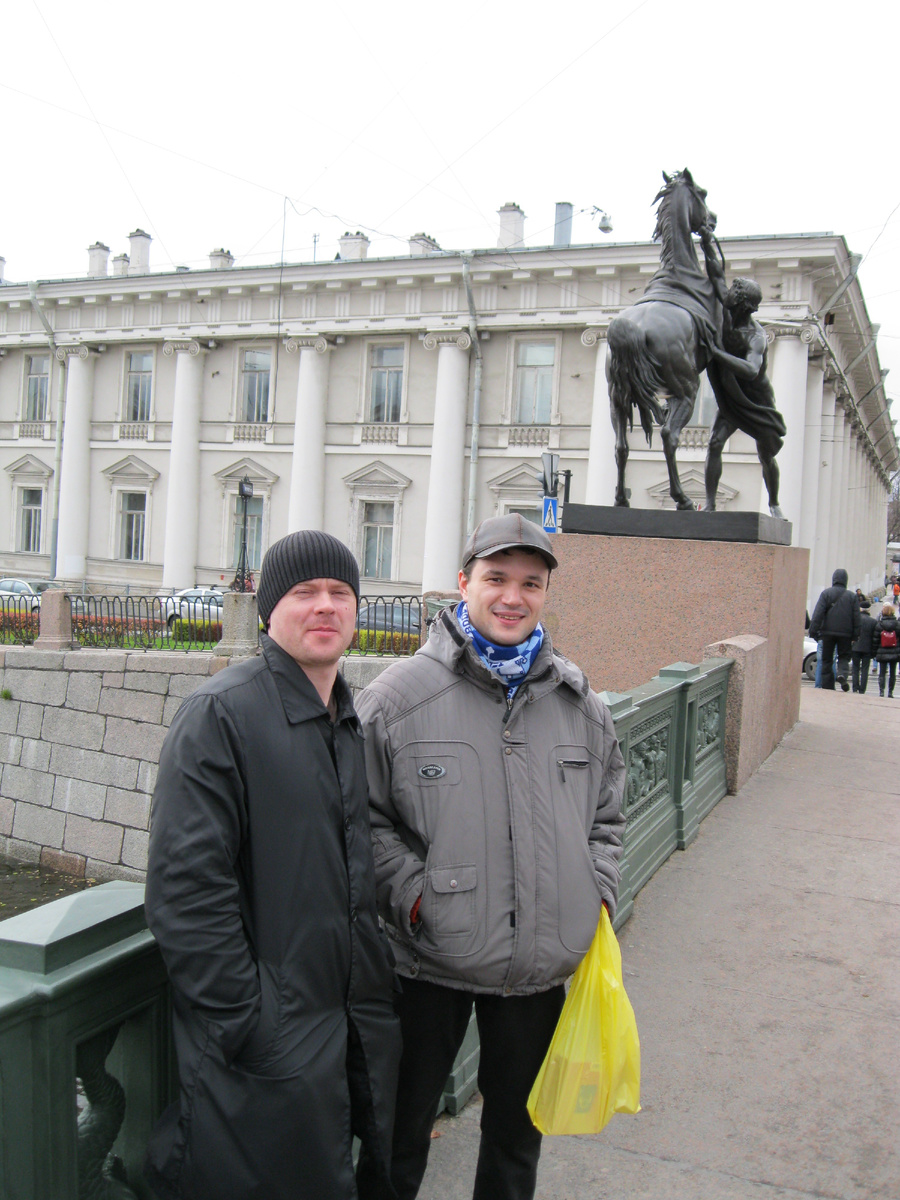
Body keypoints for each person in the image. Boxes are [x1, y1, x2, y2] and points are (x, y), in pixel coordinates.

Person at [355, 514, 626, 1200]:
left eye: (530, 584)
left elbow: (608, 814)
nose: (513, 597)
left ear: (544, 594)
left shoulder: (578, 701)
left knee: (515, 1142)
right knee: (397, 1138)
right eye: (496, 579)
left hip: (538, 967)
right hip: (427, 963)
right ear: (463, 583)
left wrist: (593, 892)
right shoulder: (398, 697)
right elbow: (360, 818)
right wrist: (416, 896)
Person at [144, 531, 401, 1200]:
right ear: (267, 608)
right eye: (304, 592)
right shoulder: (220, 713)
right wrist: (251, 1024)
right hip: (269, 1047)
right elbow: (186, 892)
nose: (325, 607)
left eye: (340, 593)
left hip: (340, 1025)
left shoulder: (343, 715)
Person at [698, 224, 787, 518]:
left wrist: (716, 353)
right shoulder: (725, 309)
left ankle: (773, 502)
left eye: (736, 291)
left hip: (756, 400)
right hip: (730, 397)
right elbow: (715, 270)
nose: (730, 291)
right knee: (714, 443)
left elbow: (750, 370)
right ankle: (709, 504)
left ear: (746, 303)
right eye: (733, 288)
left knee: (766, 454)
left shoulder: (756, 335)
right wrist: (707, 239)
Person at [808, 568, 861, 692]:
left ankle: (828, 687)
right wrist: (855, 635)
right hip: (846, 634)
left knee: (827, 660)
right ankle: (842, 673)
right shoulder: (852, 597)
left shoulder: (826, 594)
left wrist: (813, 631)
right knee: (844, 657)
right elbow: (857, 618)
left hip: (827, 633)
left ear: (834, 579)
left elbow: (818, 614)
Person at [873, 602, 900, 697]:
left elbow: (875, 640)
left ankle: (881, 691)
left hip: (882, 651)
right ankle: (890, 692)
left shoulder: (879, 625)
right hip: (894, 651)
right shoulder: (897, 625)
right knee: (892, 673)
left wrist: (874, 652)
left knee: (882, 672)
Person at [851, 601, 878, 693]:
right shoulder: (873, 622)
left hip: (855, 647)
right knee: (865, 670)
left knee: (855, 668)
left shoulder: (855, 620)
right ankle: (862, 689)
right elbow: (875, 638)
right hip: (867, 648)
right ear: (869, 609)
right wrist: (874, 651)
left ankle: (855, 688)